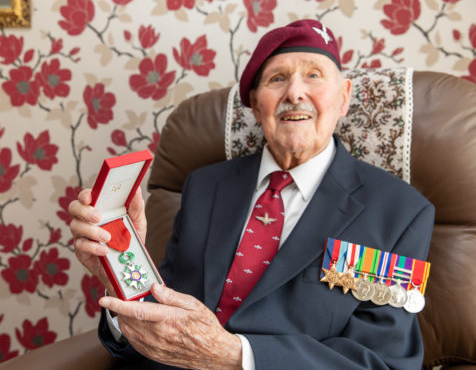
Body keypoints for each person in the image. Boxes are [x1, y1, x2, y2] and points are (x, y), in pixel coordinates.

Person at [69, 19, 434, 369]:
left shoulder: (401, 214)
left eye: (313, 75)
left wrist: (234, 355)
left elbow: (383, 362)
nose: (295, 92)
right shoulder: (203, 188)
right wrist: (118, 269)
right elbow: (164, 315)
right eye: (277, 79)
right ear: (258, 107)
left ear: (344, 97)